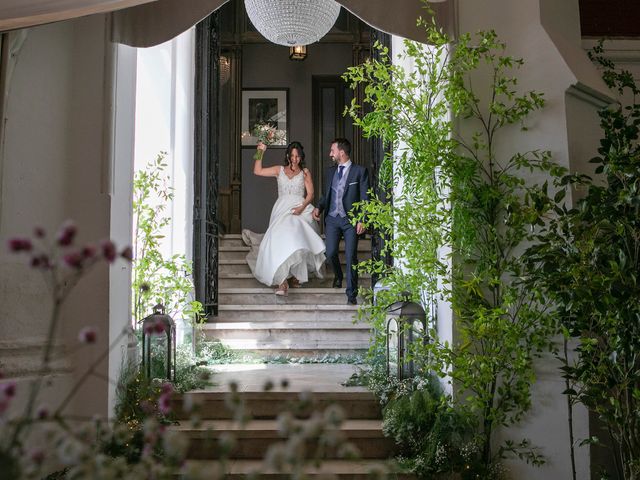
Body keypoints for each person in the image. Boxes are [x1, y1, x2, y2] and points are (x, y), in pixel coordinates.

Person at [246, 141, 325, 296]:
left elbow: (311, 194)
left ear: (301, 157)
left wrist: (301, 208)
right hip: (281, 209)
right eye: (292, 155)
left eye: (298, 156)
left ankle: (291, 278)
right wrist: (260, 152)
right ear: (288, 155)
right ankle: (283, 280)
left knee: (296, 233)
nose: (295, 159)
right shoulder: (279, 170)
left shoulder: (305, 173)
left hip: (299, 208)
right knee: (279, 238)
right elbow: (257, 170)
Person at [313, 138, 369, 305]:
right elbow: (326, 195)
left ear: (341, 152)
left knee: (351, 256)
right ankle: (338, 275)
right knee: (330, 253)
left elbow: (365, 197)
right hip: (332, 218)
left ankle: (351, 294)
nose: (330, 154)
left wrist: (362, 219)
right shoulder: (330, 172)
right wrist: (319, 208)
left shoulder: (360, 171)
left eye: (332, 151)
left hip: (351, 220)